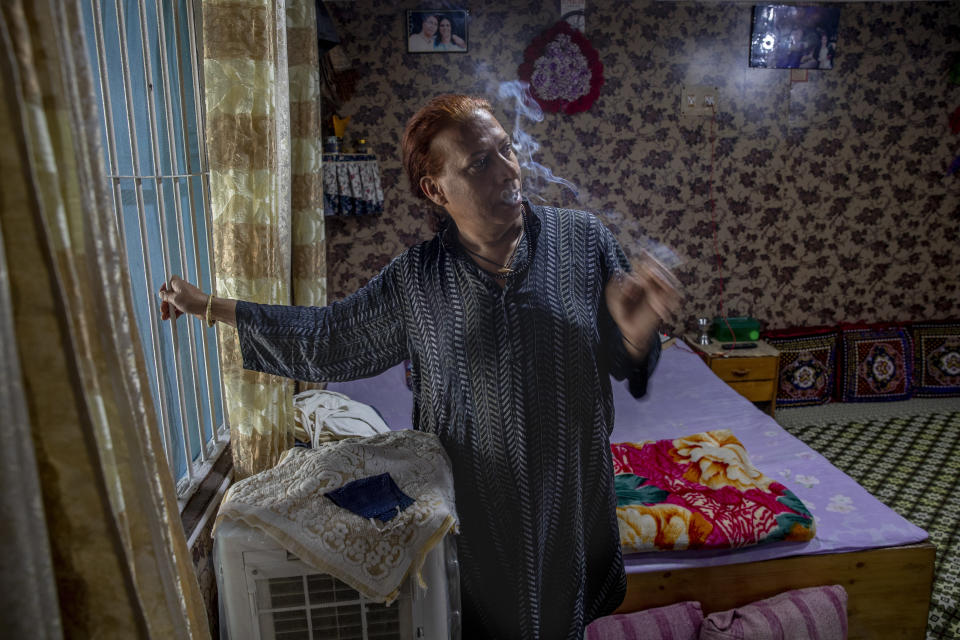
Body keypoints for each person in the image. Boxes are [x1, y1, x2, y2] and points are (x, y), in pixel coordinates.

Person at [159, 94, 679, 639]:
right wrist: (210, 307)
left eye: (507, 150)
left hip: (568, 494)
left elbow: (626, 360)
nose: (508, 171)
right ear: (436, 189)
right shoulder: (415, 280)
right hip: (475, 504)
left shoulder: (584, 241)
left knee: (560, 620)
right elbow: (329, 338)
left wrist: (637, 336)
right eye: (480, 162)